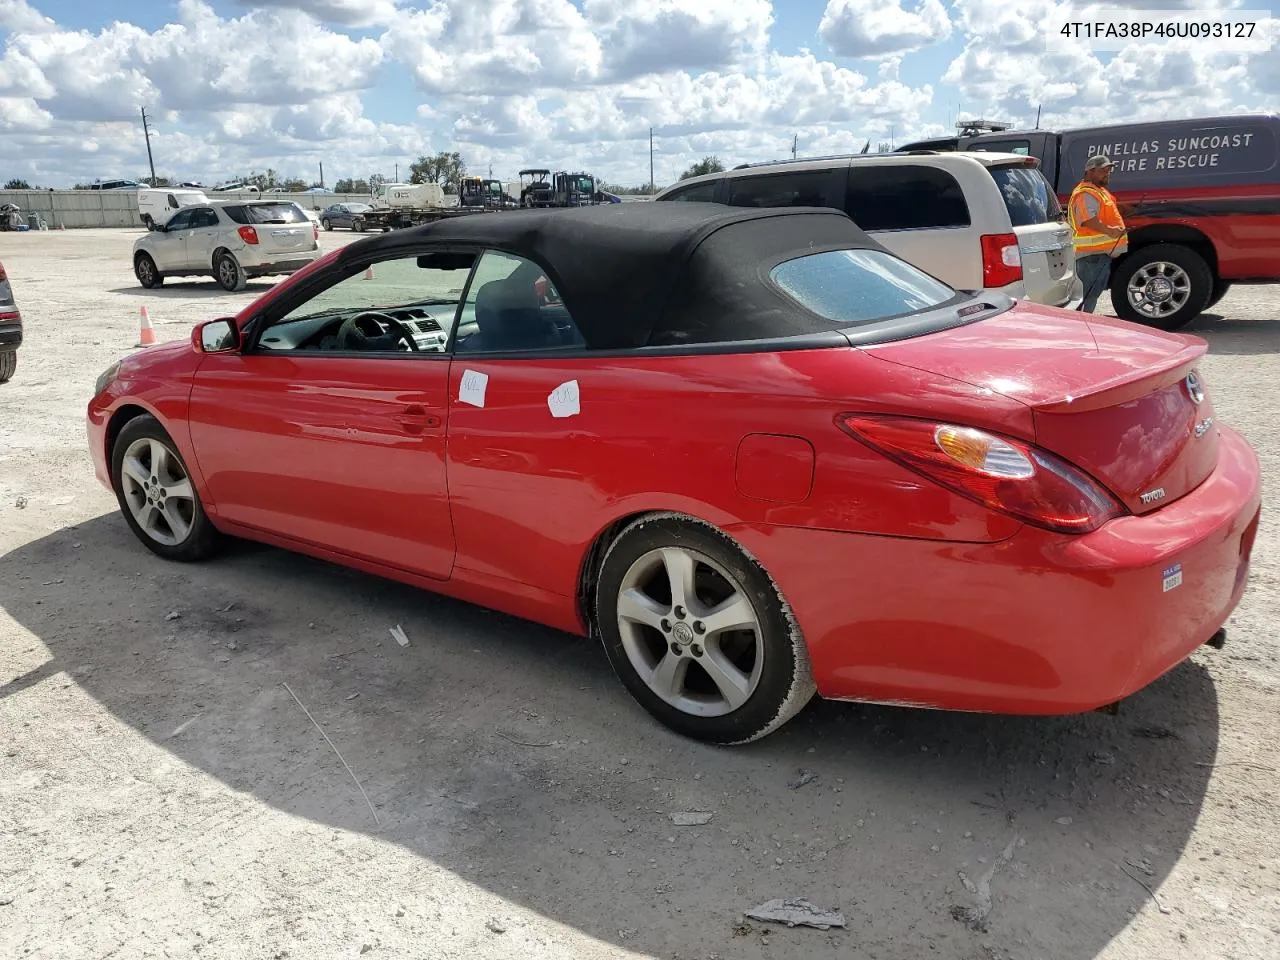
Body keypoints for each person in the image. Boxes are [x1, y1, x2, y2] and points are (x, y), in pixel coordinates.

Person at [1068, 154, 1128, 313]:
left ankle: (1084, 323)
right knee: (1087, 295)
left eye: (1109, 170)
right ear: (1090, 171)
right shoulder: (1085, 193)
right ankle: (1083, 325)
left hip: (1098, 254)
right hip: (1091, 255)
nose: (1107, 173)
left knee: (1091, 294)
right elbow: (1088, 220)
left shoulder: (1098, 191)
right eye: (1103, 170)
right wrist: (1112, 231)